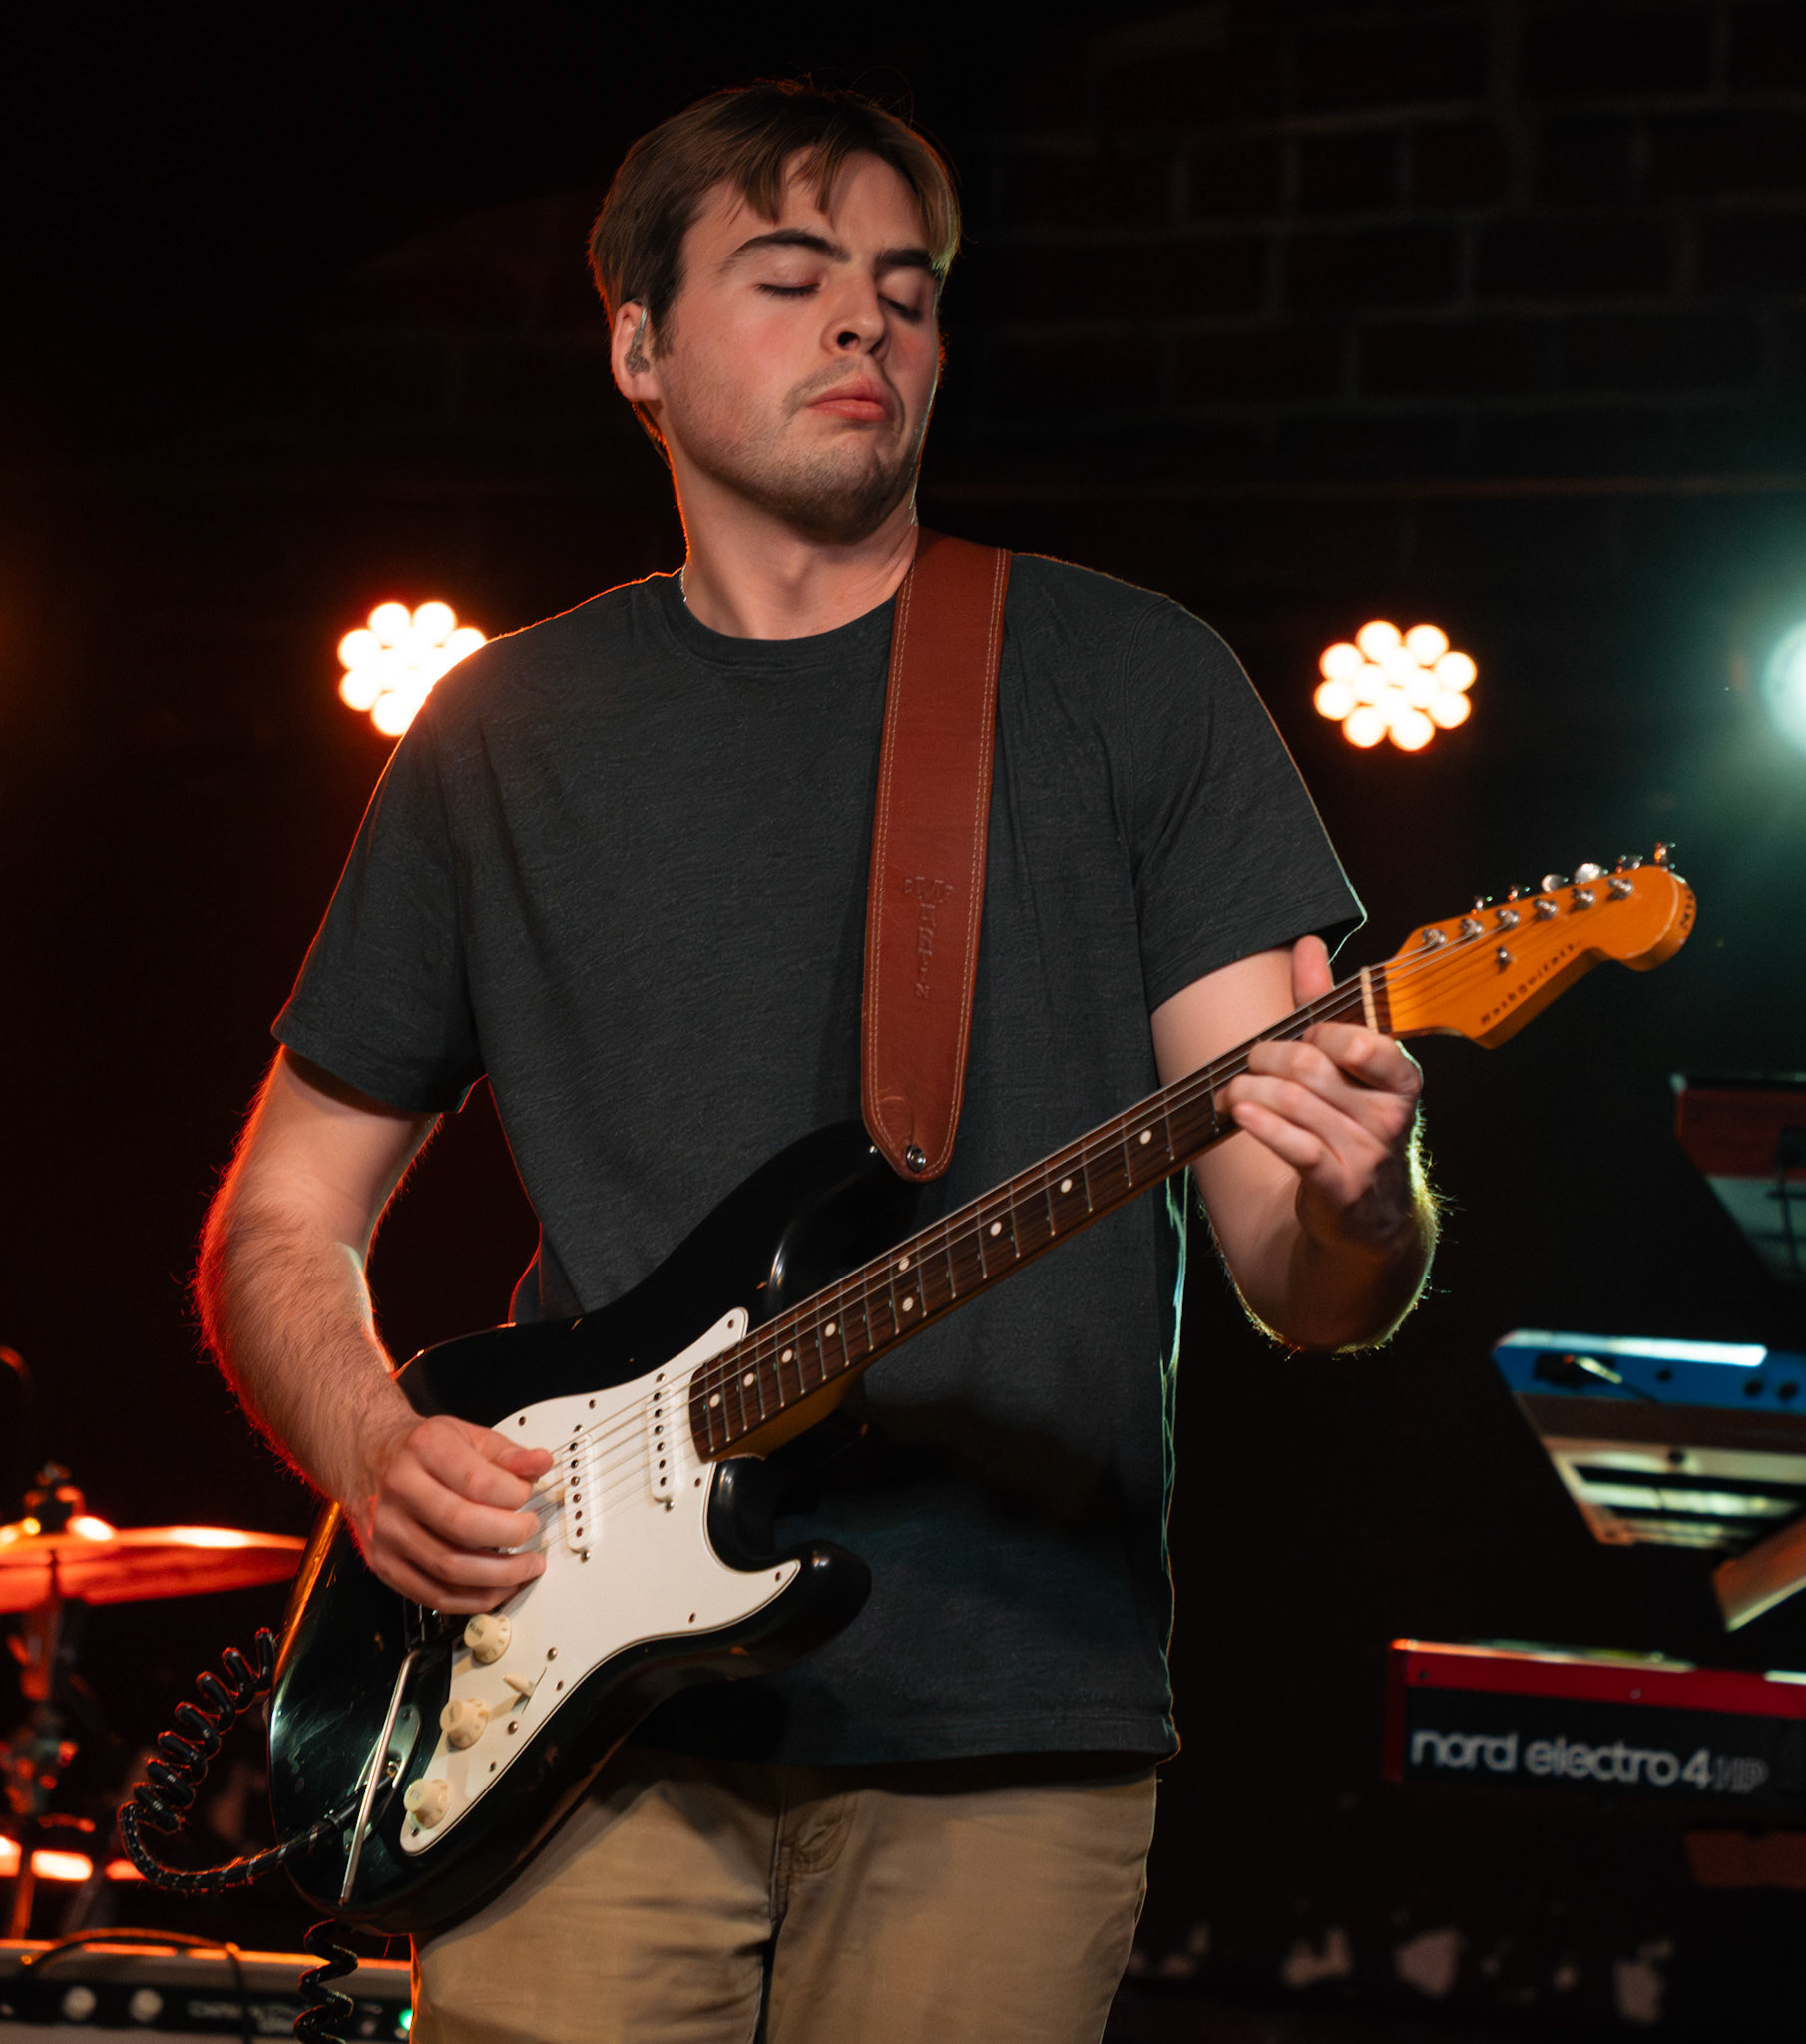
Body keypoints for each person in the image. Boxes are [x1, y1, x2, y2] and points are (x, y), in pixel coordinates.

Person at [196, 80, 1436, 2044]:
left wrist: (1363, 1197)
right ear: (636, 346)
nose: (865, 319)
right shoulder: (500, 727)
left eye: (905, 287)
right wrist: (370, 1444)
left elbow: (1302, 1278)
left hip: (1004, 1711)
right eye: (788, 277)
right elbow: (280, 1217)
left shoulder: (1130, 684)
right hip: (566, 1711)